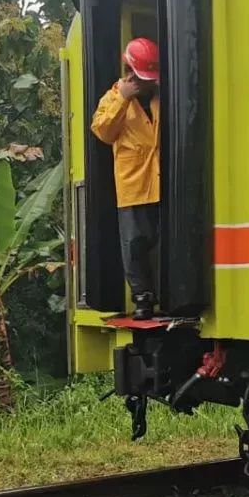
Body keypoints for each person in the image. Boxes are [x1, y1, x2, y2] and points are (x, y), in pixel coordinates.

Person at [91, 37, 161, 320]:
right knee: (134, 244)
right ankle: (142, 298)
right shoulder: (113, 98)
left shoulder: (160, 94)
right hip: (133, 182)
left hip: (162, 179)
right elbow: (103, 131)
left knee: (162, 240)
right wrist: (124, 98)